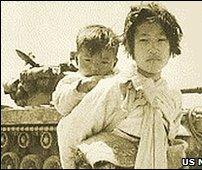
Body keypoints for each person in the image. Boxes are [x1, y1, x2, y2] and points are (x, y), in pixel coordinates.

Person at [57, 2, 187, 169]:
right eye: (144, 40)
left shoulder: (172, 95)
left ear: (171, 47)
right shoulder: (115, 88)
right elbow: (69, 131)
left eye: (161, 40)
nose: (153, 48)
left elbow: (171, 137)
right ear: (131, 47)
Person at [51, 25, 119, 116]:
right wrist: (80, 88)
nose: (95, 68)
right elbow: (61, 106)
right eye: (88, 60)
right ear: (76, 59)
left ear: (114, 63)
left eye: (104, 62)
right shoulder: (71, 80)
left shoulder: (117, 80)